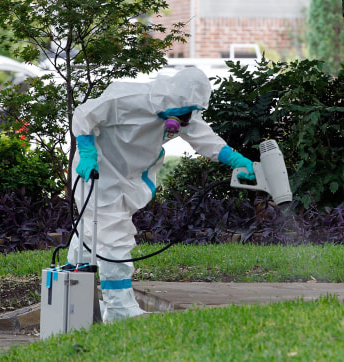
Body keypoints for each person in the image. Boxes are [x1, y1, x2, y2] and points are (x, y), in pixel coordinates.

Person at [67, 67, 255, 322]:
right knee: (114, 236)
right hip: (99, 171)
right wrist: (87, 151)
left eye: (188, 116)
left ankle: (71, 291)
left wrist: (236, 160)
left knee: (91, 231)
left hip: (128, 174)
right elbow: (83, 115)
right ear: (169, 101)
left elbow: (203, 138)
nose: (182, 123)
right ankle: (120, 309)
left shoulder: (182, 109)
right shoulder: (126, 98)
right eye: (180, 116)